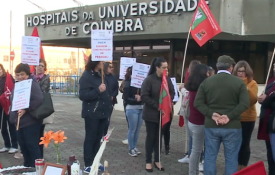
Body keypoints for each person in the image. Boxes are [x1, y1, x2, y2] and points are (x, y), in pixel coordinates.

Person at [194, 55, 249, 175]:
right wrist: (229, 116)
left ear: (217, 67)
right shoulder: (239, 83)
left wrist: (211, 114)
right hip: (232, 126)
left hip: (211, 124)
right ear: (231, 67)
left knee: (210, 157)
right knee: (231, 159)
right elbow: (245, 103)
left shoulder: (206, 82)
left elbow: (197, 103)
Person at [79, 56, 113, 173]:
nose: (103, 63)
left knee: (98, 138)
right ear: (95, 61)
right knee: (90, 138)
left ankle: (96, 160)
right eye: (101, 61)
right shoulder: (86, 76)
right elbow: (83, 95)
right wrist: (98, 90)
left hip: (103, 113)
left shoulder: (101, 75)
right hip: (92, 113)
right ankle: (88, 163)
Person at [141, 57, 175, 172]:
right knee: (151, 137)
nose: (166, 69)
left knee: (159, 138)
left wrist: (168, 103)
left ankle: (157, 159)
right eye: (164, 67)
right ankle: (148, 161)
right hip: (151, 115)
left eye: (167, 67)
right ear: (157, 68)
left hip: (164, 115)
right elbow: (144, 96)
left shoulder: (167, 80)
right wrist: (157, 105)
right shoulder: (149, 80)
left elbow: (172, 92)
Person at [9, 63, 43, 167]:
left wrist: (26, 109)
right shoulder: (17, 85)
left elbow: (39, 99)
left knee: (32, 146)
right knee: (23, 147)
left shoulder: (32, 84)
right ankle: (27, 166)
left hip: (30, 122)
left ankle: (37, 168)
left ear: (28, 74)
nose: (20, 77)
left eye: (22, 74)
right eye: (17, 75)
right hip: (19, 122)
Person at [232, 61, 258, 170]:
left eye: (243, 71)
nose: (240, 73)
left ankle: (243, 167)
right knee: (235, 143)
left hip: (248, 119)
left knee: (245, 143)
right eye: (238, 71)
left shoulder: (253, 83)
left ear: (247, 72)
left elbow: (253, 100)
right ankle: (236, 166)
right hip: (236, 117)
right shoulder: (233, 83)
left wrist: (246, 89)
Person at [185, 64, 209, 175]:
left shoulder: (192, 87)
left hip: (192, 121)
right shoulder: (202, 89)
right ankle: (192, 172)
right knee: (196, 151)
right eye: (207, 73)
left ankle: (193, 171)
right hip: (199, 123)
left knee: (196, 150)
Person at [178, 60, 201, 164]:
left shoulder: (196, 81)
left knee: (193, 136)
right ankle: (192, 155)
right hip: (191, 111)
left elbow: (189, 94)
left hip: (192, 112)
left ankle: (194, 157)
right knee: (193, 136)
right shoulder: (200, 79)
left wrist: (182, 89)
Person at [258, 62, 275, 175]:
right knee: (270, 153)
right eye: (274, 66)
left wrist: (267, 99)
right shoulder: (271, 80)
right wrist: (262, 99)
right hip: (268, 122)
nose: (274, 68)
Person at [123, 66, 143, 157]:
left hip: (141, 108)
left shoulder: (142, 83)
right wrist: (135, 100)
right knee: (132, 129)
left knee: (138, 130)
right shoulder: (128, 83)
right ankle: (131, 148)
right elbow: (126, 98)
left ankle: (135, 147)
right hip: (132, 109)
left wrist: (141, 98)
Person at [32, 59, 50, 158]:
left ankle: (40, 157)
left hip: (40, 110)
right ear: (34, 67)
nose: (39, 67)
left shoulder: (46, 78)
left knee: (40, 135)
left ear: (44, 68)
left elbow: (41, 91)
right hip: (31, 109)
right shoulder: (30, 77)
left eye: (42, 66)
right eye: (38, 65)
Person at [0, 64, 18, 154]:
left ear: (2, 69)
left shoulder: (8, 77)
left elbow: (12, 88)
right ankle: (7, 145)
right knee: (2, 127)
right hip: (0, 106)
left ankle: (14, 145)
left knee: (11, 125)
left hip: (8, 104)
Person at [102, 62, 119, 141]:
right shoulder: (102, 77)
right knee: (103, 118)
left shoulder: (114, 77)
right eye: (110, 67)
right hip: (103, 100)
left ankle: (105, 134)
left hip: (111, 101)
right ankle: (101, 134)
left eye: (112, 67)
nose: (112, 68)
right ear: (105, 68)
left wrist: (113, 95)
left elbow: (116, 88)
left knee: (108, 118)